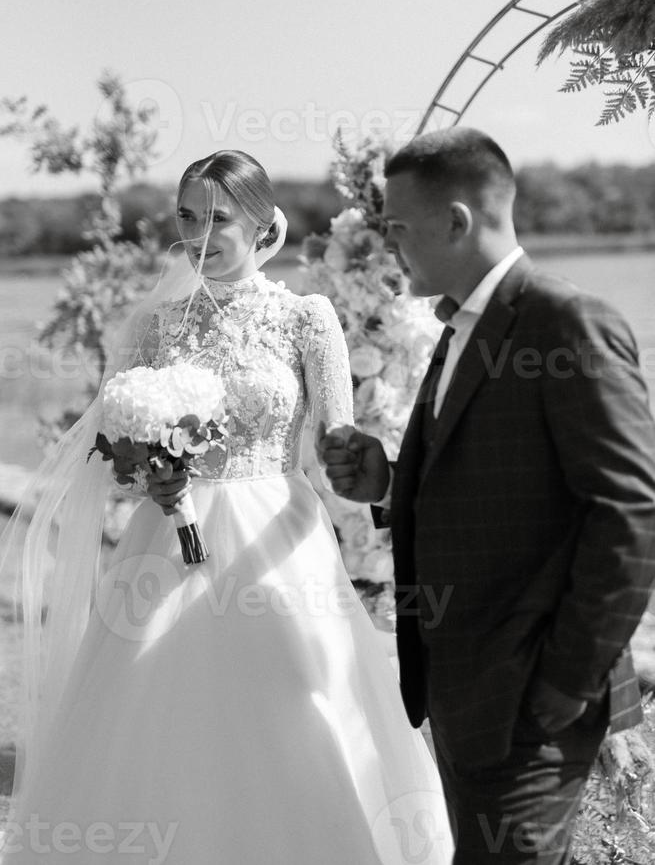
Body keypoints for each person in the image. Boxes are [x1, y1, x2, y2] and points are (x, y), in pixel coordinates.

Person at [0, 150, 453, 864]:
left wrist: (381, 462)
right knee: (151, 694)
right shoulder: (155, 326)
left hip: (277, 531)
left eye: (219, 218)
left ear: (260, 224)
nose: (201, 234)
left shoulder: (306, 317)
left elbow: (336, 442)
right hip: (165, 538)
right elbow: (113, 452)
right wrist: (147, 474)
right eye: (187, 216)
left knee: (296, 685)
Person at [319, 127, 655, 864]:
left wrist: (562, 687)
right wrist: (388, 482)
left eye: (398, 227)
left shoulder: (567, 323)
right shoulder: (460, 326)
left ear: (456, 221)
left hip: (525, 699)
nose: (391, 244)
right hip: (464, 692)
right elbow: (495, 481)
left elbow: (630, 513)